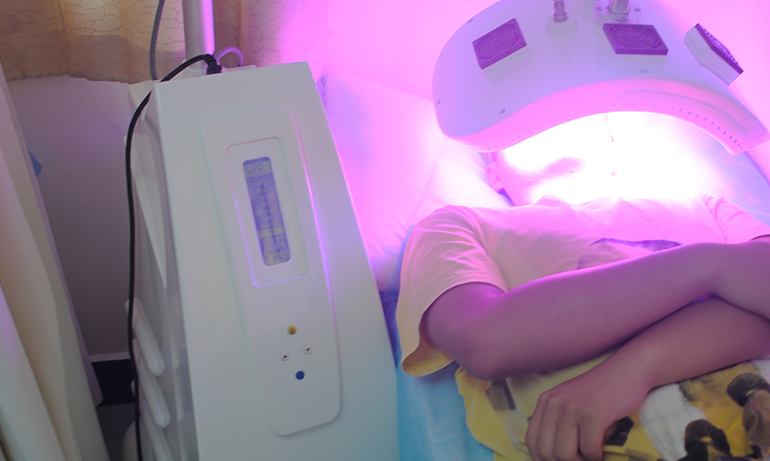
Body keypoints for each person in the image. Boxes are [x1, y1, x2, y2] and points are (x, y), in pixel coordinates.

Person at [395, 142, 770, 461]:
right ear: (493, 169)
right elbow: (485, 340)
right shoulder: (455, 225)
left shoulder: (704, 205)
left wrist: (635, 368)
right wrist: (714, 268)